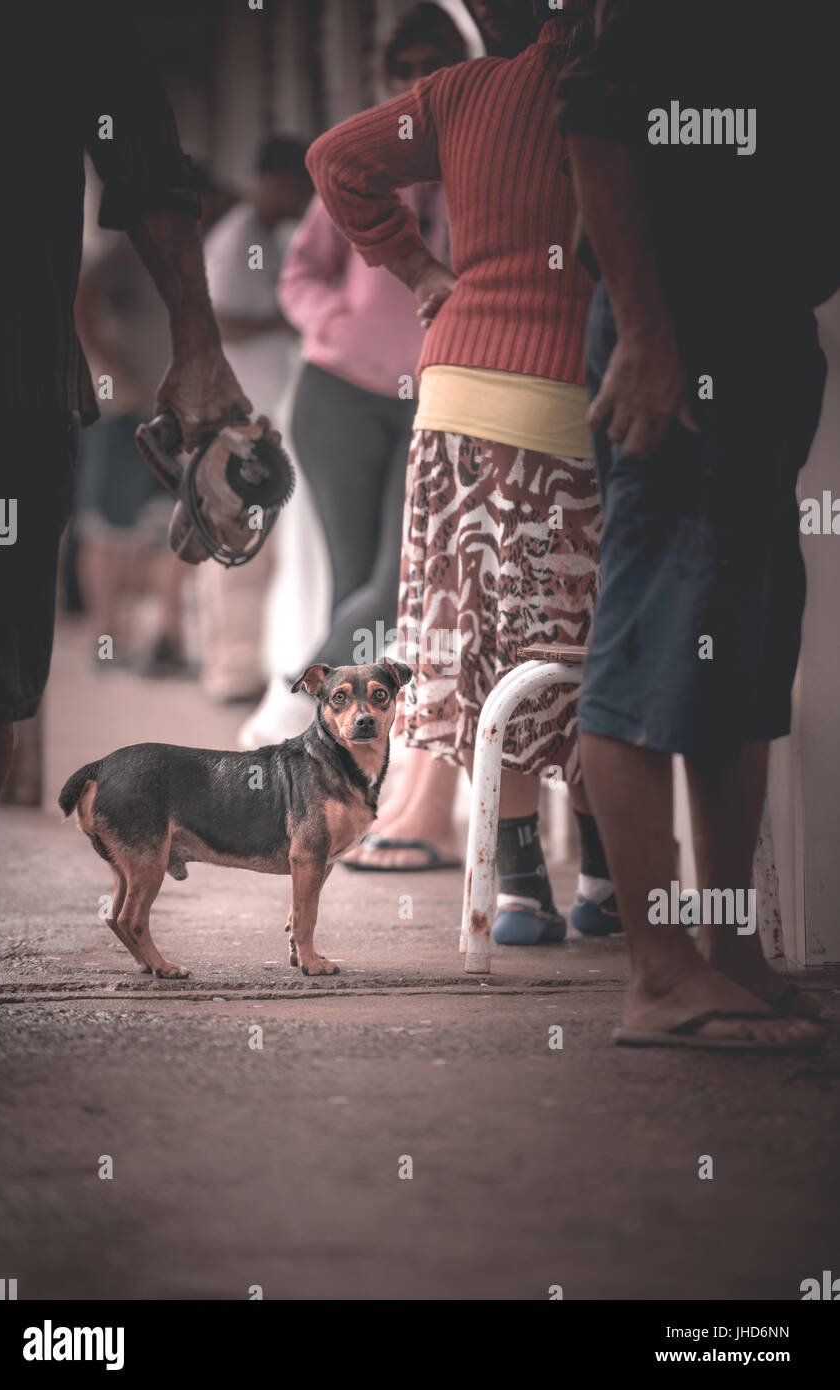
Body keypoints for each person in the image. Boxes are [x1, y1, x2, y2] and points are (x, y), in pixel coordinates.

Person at [557, 0, 836, 1047]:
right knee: (649, 640)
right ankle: (662, 975)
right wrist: (644, 333)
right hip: (679, 326)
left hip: (763, 330)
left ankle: (729, 951)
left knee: (745, 658)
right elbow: (594, 117)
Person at [307, 1, 616, 943]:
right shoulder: (610, 82)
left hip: (456, 399)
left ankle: (518, 884)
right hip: (570, 393)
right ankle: (604, 879)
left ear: (486, 13)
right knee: (595, 642)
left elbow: (334, 161)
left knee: (494, 645)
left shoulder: (457, 93)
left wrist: (420, 272)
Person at [0, 2, 251, 1021]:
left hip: (10, 392)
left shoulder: (64, 19)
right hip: (15, 392)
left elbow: (143, 165)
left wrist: (196, 343)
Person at [240, 1, 466, 749]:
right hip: (339, 394)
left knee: (400, 578)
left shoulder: (480, 161)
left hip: (434, 397)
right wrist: (335, 326)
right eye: (402, 68)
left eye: (432, 62)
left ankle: (305, 691)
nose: (417, 79)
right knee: (351, 580)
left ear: (459, 64)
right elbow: (300, 272)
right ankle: (347, 758)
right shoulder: (366, 161)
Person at [196, 135, 314, 704]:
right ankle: (229, 671)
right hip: (240, 422)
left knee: (251, 548)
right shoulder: (239, 238)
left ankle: (237, 665)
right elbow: (218, 321)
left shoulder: (266, 238)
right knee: (235, 547)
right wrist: (285, 322)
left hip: (259, 420)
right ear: (278, 182)